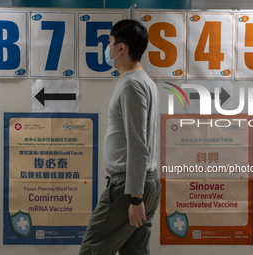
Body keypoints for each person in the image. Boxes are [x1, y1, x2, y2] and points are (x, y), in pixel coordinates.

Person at [79, 19, 160, 255]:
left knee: (91, 250)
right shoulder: (145, 82)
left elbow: (138, 142)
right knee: (134, 252)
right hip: (144, 181)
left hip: (129, 186)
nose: (108, 48)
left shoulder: (131, 85)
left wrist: (135, 198)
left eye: (110, 43)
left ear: (121, 48)